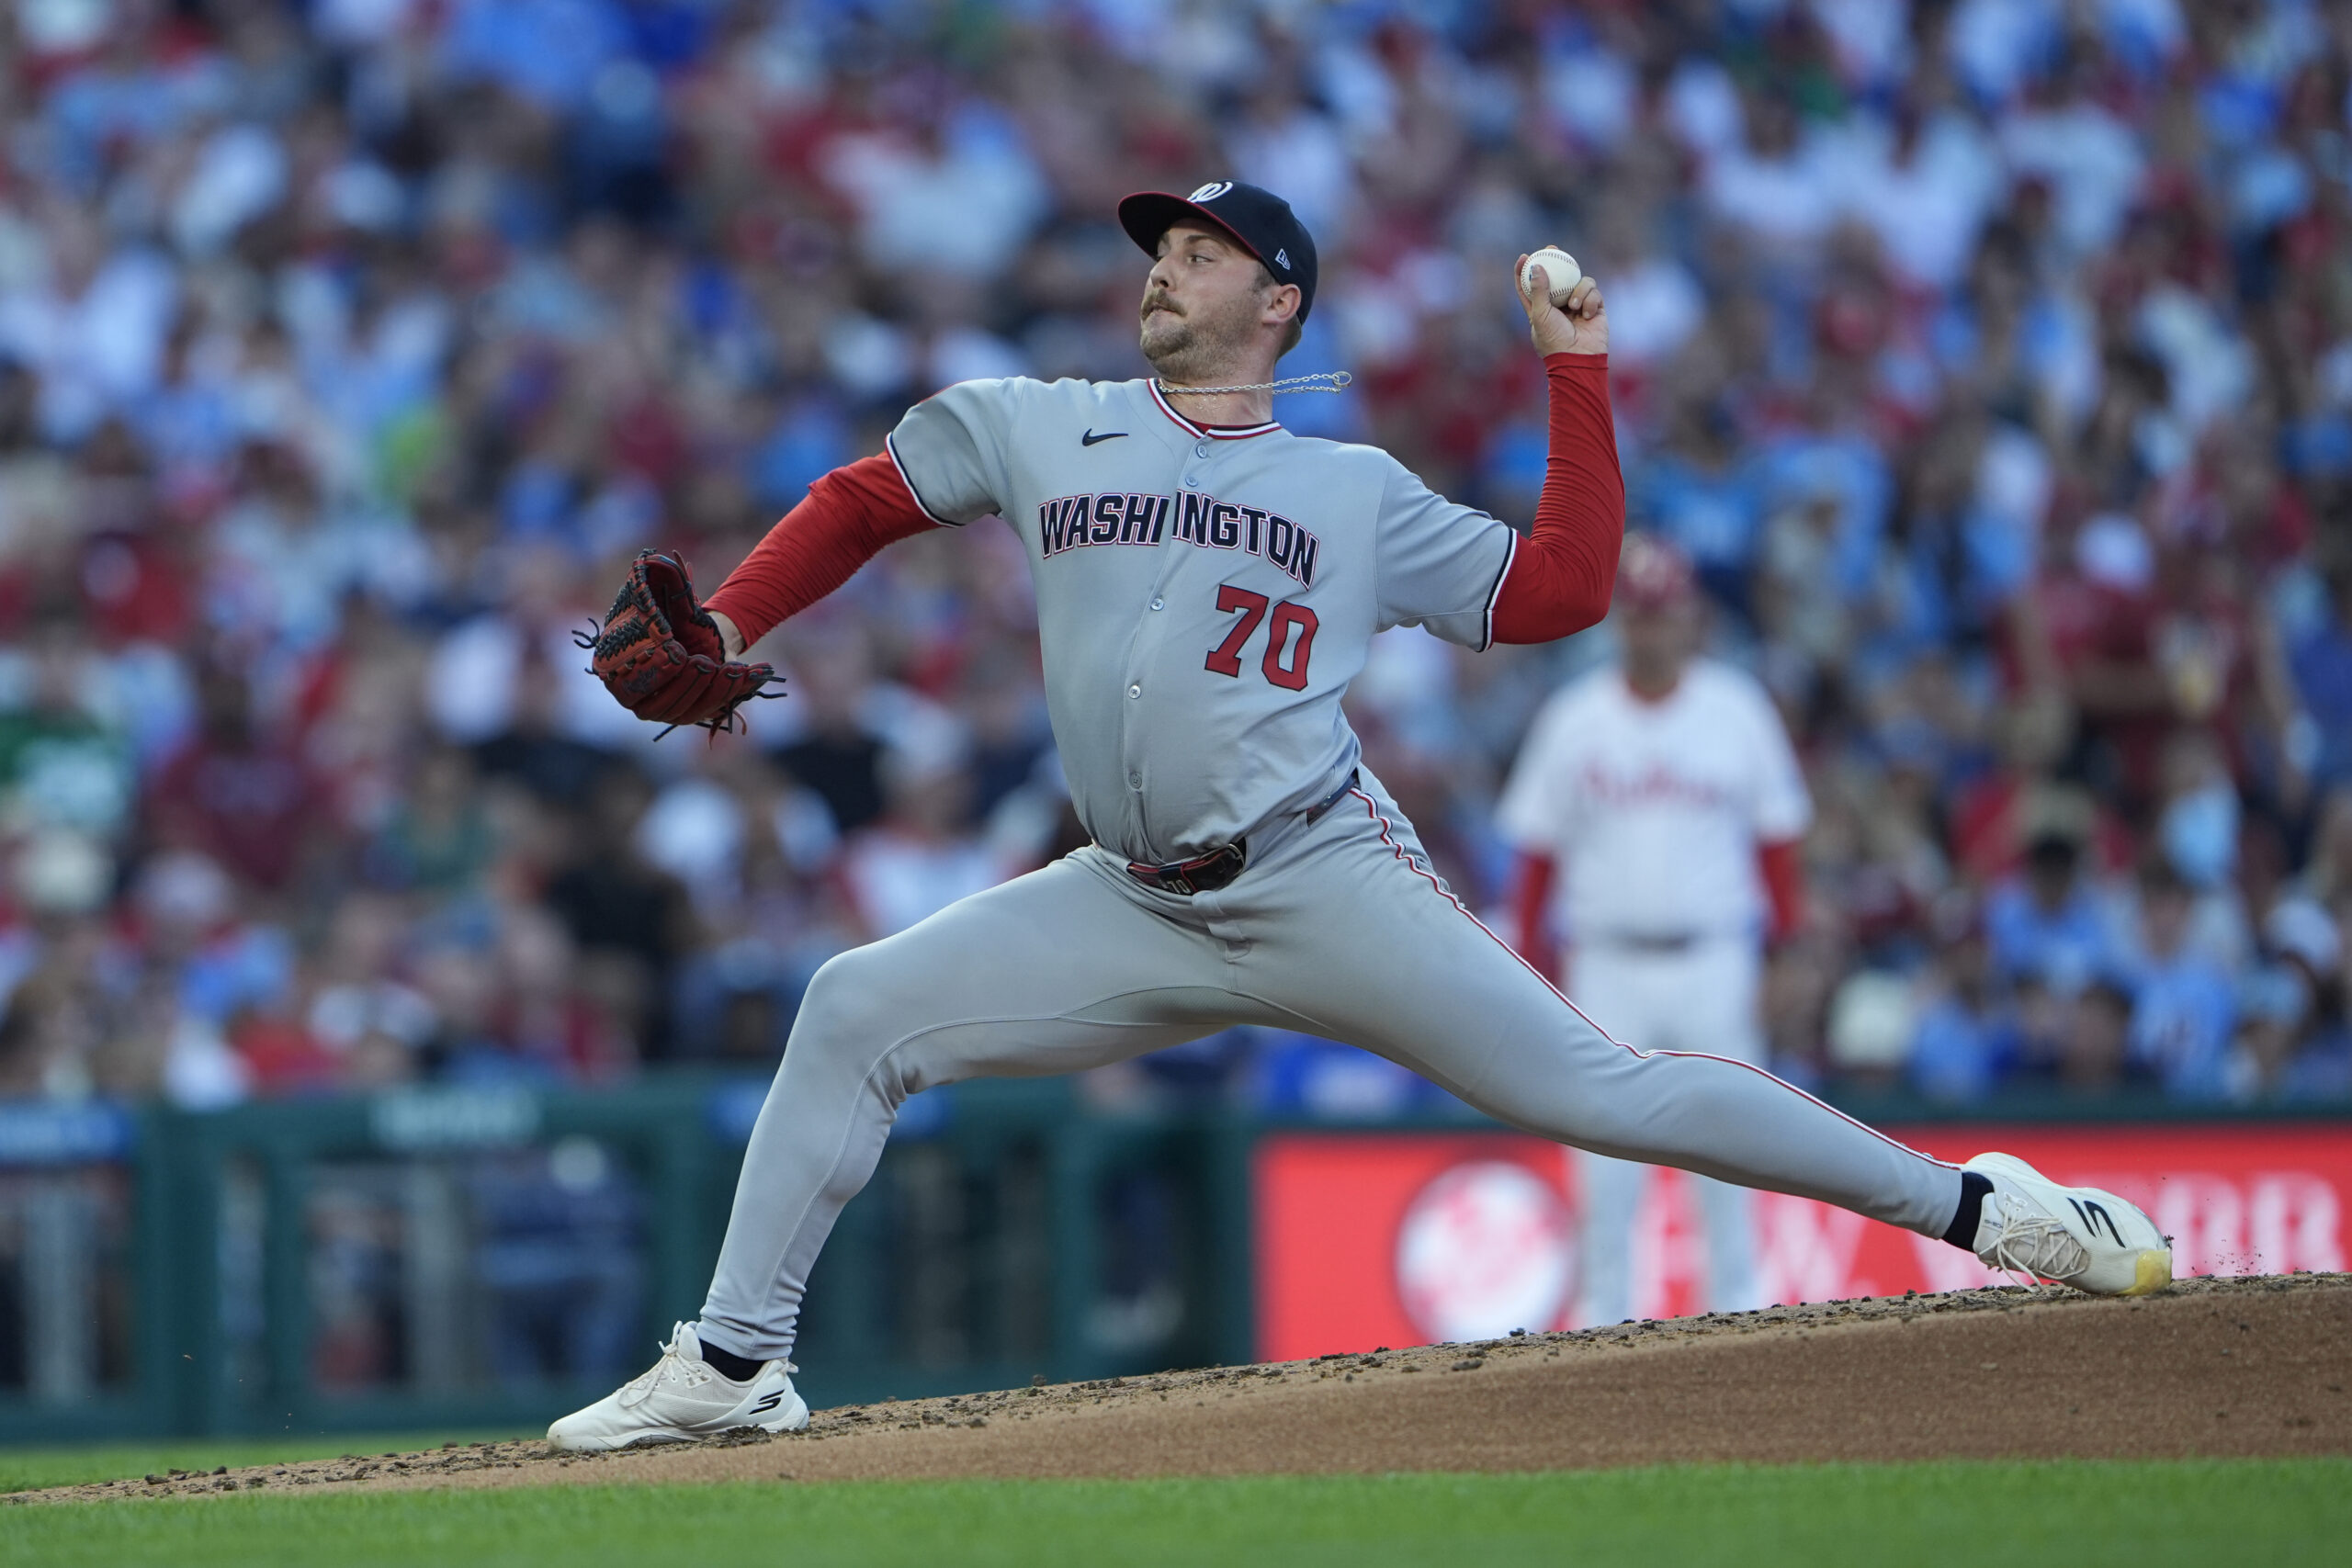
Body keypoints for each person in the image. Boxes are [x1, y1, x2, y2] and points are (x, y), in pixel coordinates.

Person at [549, 181, 2171, 1450]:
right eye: (1158, 245)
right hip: (1129, 893)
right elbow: (864, 498)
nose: (1163, 267)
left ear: (1280, 300)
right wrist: (742, 622)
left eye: (1200, 249)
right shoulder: (1047, 421)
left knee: (1606, 1090)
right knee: (854, 1007)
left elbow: (1561, 590)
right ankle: (732, 1360)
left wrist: (1578, 375)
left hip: (1323, 869)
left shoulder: (1355, 492)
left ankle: (1990, 1205)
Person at [1497, 535, 1811, 1325]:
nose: (1650, 631)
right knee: (1603, 1153)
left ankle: (1741, 1311)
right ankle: (1606, 1319)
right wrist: (1532, 966)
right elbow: (1534, 856)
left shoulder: (1736, 710)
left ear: (1690, 618)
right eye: (1637, 617)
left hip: (1715, 956)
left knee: (1735, 1142)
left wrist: (1789, 952)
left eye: (1663, 615)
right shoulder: (1574, 719)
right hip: (1605, 962)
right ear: (1618, 624)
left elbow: (1778, 845)